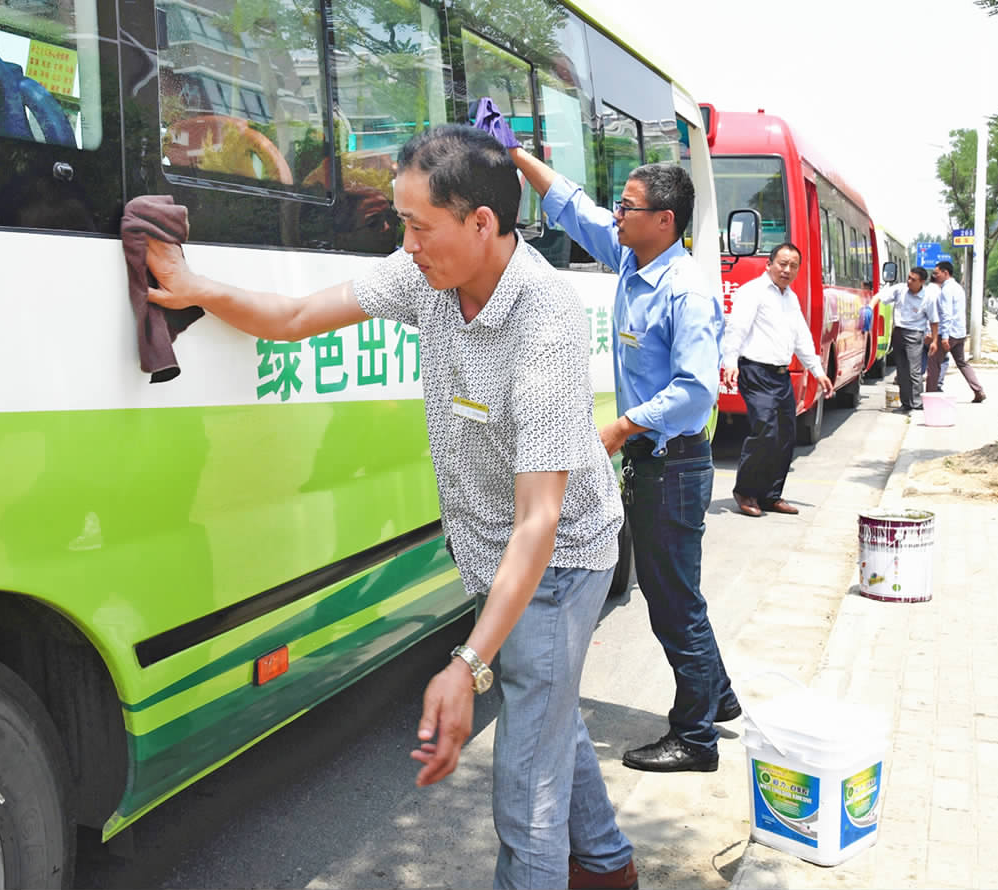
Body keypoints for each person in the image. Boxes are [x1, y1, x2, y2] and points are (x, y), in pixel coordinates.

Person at [144, 124, 637, 890]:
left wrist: (466, 664)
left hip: (558, 562)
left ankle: (577, 864)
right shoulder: (427, 278)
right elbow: (295, 316)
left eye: (416, 226)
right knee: (546, 717)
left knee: (524, 794)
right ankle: (607, 864)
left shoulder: (544, 322)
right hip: (490, 554)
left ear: (481, 223)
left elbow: (539, 519)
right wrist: (196, 286)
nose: (403, 243)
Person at [476, 101, 739, 780]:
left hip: (673, 464)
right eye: (618, 208)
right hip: (657, 463)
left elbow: (695, 391)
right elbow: (570, 208)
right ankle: (719, 696)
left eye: (627, 207)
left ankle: (696, 737)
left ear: (663, 222)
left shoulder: (683, 289)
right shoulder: (631, 258)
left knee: (671, 597)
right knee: (673, 590)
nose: (614, 216)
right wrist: (515, 156)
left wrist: (620, 428)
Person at [719, 244, 834, 517]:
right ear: (768, 264)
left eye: (793, 265)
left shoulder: (790, 299)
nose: (787, 270)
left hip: (780, 375)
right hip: (756, 371)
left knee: (785, 436)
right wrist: (730, 361)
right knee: (765, 431)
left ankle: (771, 495)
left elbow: (802, 338)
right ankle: (745, 490)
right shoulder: (752, 292)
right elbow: (737, 328)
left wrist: (817, 371)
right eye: (782, 263)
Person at [867, 266, 935, 413]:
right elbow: (879, 296)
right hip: (898, 332)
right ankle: (906, 403)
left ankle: (916, 403)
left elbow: (934, 320)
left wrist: (934, 339)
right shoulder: (900, 289)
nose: (909, 281)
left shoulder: (927, 297)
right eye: (909, 277)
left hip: (915, 334)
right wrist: (870, 308)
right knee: (902, 371)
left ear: (922, 282)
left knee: (914, 371)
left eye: (913, 279)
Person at [926, 259, 987, 403]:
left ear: (945, 273)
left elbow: (947, 314)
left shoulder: (946, 290)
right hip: (959, 333)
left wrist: (945, 337)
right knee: (962, 363)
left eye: (936, 273)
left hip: (949, 333)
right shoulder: (958, 288)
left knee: (933, 362)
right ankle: (978, 390)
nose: (934, 276)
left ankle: (930, 396)